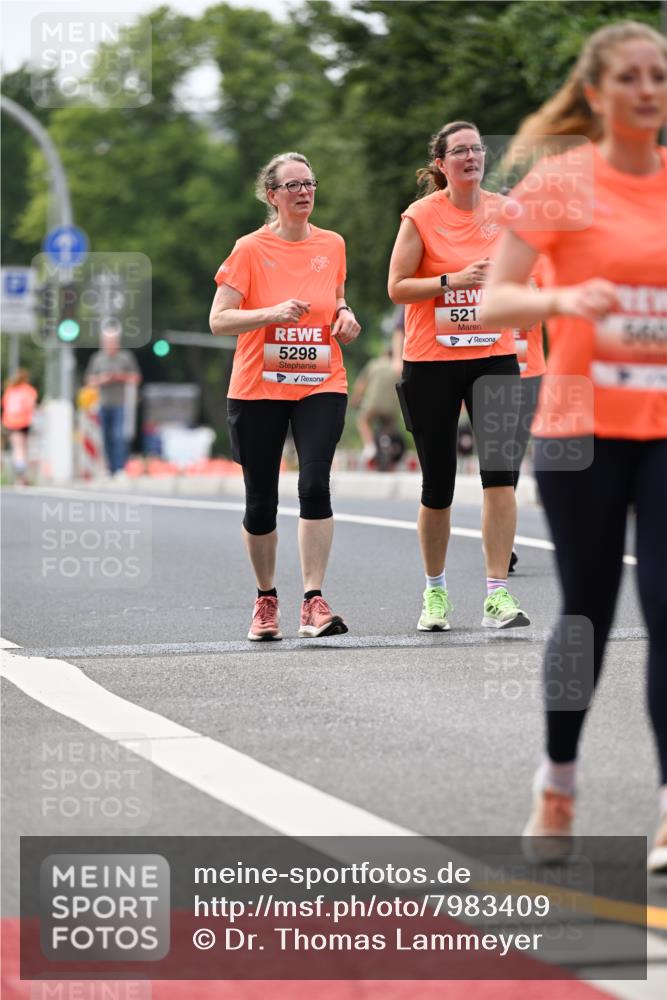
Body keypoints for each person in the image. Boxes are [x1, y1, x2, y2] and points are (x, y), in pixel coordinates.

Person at [481, 21, 667, 870]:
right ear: (595, 93)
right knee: (587, 612)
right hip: (579, 429)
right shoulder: (559, 184)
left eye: (657, 75)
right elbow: (496, 301)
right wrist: (564, 300)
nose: (646, 89)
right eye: (628, 76)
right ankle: (557, 781)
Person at [209, 151, 360, 641]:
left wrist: (345, 315)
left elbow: (336, 298)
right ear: (272, 195)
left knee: (314, 484)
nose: (304, 192)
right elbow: (219, 319)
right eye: (293, 185)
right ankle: (266, 599)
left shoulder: (332, 244)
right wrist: (269, 313)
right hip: (258, 387)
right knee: (261, 502)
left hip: (320, 380)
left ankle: (314, 601)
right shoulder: (250, 249)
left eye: (309, 183)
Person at [388, 120, 531, 632]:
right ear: (442, 163)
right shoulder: (421, 216)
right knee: (439, 483)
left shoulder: (505, 211)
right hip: (431, 362)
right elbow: (397, 287)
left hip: (493, 356)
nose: (472, 157)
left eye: (477, 149)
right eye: (461, 151)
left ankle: (497, 594)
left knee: (500, 475)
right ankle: (435, 593)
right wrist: (453, 280)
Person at [84, 325, 142, 475]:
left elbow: (136, 378)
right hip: (103, 403)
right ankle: (110, 468)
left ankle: (120, 468)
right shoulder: (97, 358)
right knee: (106, 437)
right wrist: (102, 379)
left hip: (121, 403)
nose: (109, 344)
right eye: (107, 341)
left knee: (119, 436)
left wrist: (119, 377)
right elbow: (89, 381)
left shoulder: (126, 357)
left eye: (112, 341)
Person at [350, 348, 403, 467]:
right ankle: (388, 442)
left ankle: (370, 447)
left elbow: (361, 384)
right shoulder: (398, 368)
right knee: (390, 426)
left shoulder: (374, 364)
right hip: (391, 407)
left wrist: (355, 399)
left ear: (383, 354)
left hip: (373, 405)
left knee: (363, 420)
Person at [2, 369, 38, 485]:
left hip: (10, 422)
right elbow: (31, 406)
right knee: (22, 448)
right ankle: (21, 476)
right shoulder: (28, 390)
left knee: (17, 447)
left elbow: (4, 405)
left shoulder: (10, 390)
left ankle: (20, 476)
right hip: (24, 422)